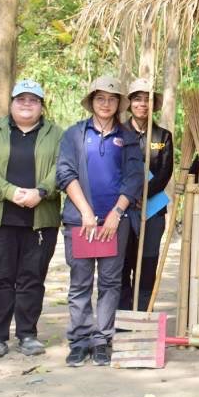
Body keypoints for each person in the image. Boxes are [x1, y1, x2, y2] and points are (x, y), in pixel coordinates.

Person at [0, 79, 64, 360]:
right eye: (21, 99)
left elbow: (63, 166)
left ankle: (27, 334)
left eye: (33, 100)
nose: (26, 104)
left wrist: (42, 191)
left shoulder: (56, 134)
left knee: (31, 279)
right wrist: (9, 191)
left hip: (40, 220)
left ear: (41, 106)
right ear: (11, 103)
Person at [56, 76, 144, 367]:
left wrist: (116, 214)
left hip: (114, 223)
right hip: (81, 221)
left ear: (119, 103)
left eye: (112, 99)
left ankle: (102, 339)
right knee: (80, 282)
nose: (106, 104)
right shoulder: (74, 134)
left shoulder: (128, 138)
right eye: (100, 98)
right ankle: (80, 340)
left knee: (110, 282)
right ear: (91, 101)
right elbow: (65, 173)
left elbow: (134, 177)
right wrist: (85, 212)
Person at [123, 79, 174, 311]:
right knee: (123, 261)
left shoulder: (163, 136)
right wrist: (130, 197)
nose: (142, 104)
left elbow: (165, 172)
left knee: (148, 261)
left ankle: (144, 312)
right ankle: (122, 315)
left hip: (153, 209)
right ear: (129, 103)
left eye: (147, 100)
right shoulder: (118, 132)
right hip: (122, 208)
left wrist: (143, 196)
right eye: (137, 99)